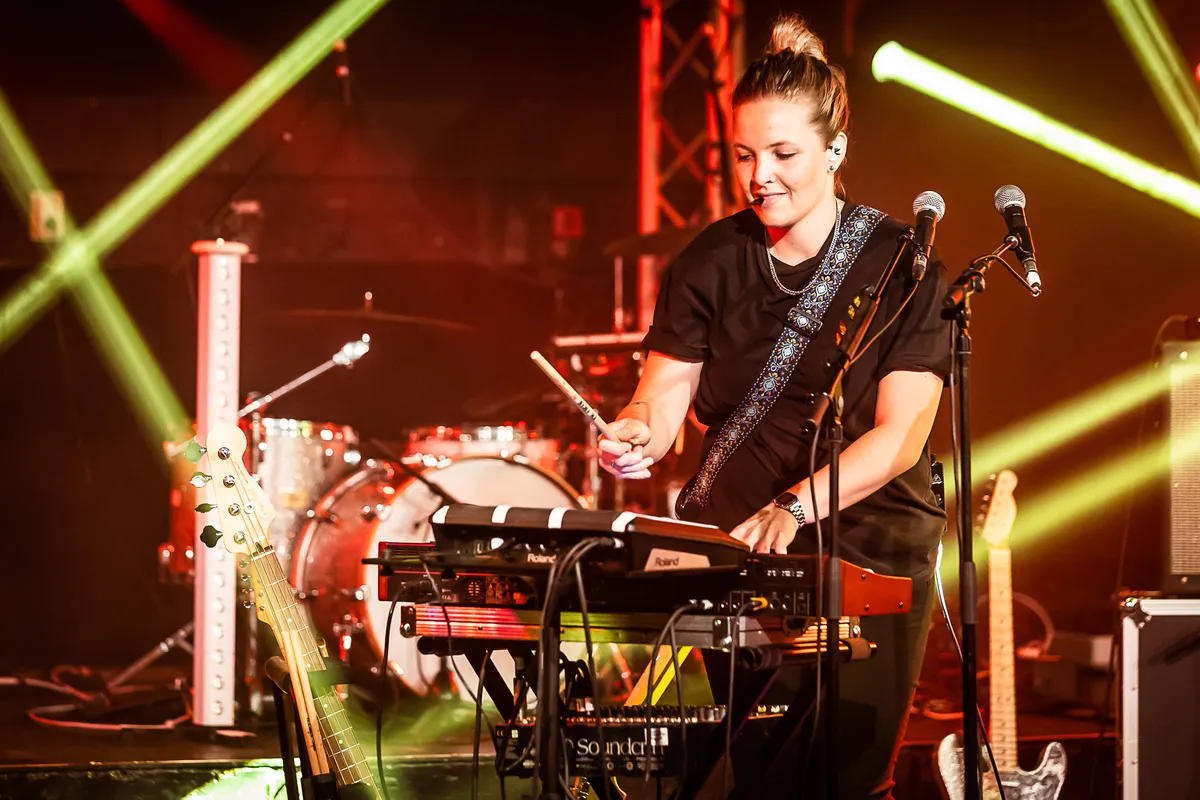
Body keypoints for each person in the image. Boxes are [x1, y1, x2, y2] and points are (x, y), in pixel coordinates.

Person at [598, 14, 951, 800]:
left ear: (836, 151)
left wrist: (795, 505)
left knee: (843, 778)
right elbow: (661, 396)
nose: (760, 176)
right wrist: (635, 433)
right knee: (756, 774)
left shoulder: (902, 265)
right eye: (744, 155)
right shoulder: (708, 262)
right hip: (742, 548)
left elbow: (900, 437)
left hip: (869, 546)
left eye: (784, 154)